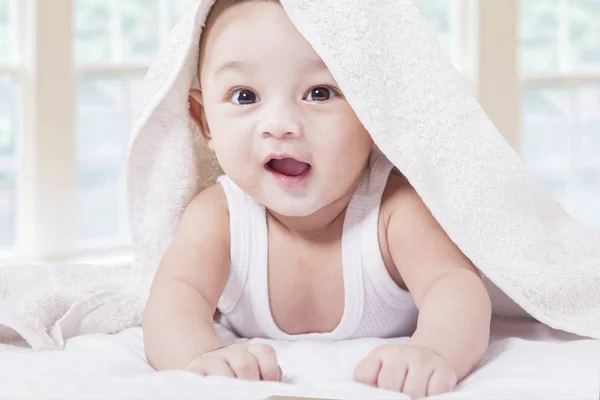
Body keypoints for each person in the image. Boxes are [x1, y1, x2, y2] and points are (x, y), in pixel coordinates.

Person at [142, 0, 492, 397]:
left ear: (374, 110)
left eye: (320, 92)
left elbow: (456, 288)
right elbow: (173, 299)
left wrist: (433, 350)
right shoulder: (218, 216)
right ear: (205, 120)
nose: (281, 126)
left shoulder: (394, 211)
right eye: (244, 96)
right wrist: (199, 357)